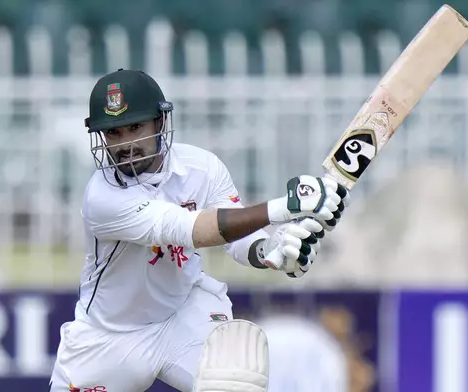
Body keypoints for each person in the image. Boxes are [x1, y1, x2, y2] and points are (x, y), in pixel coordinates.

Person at [48, 69, 350, 392]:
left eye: (135, 127)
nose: (125, 144)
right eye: (113, 133)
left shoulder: (201, 168)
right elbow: (194, 230)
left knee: (236, 381)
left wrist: (270, 253)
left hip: (184, 312)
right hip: (108, 336)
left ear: (160, 123)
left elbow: (239, 237)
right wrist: (285, 207)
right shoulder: (101, 197)